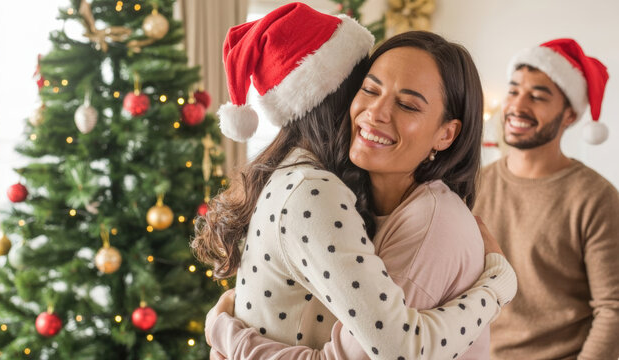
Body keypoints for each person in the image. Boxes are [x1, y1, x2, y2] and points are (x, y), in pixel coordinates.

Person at [193, 4, 517, 360]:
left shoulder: (422, 218)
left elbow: (399, 351)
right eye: (369, 89)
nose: (376, 112)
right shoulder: (316, 188)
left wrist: (232, 339)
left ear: (446, 134)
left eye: (408, 105)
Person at [473, 38, 619, 359]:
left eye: (538, 96)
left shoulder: (596, 198)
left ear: (569, 116)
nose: (517, 106)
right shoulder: (474, 184)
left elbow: (613, 310)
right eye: (513, 91)